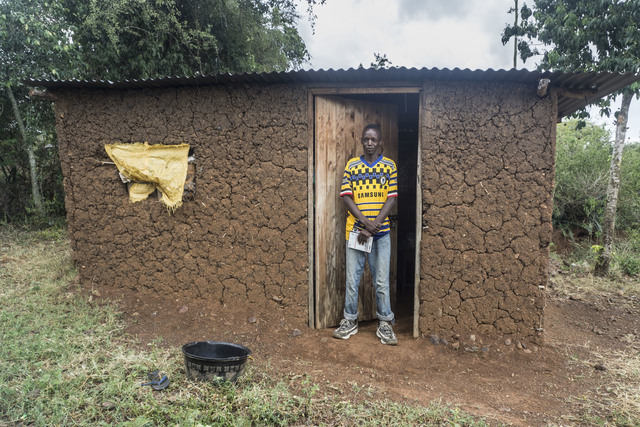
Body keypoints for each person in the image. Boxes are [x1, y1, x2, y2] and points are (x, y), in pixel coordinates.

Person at [332, 124, 398, 345]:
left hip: (380, 234)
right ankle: (349, 321)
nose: (370, 143)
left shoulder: (389, 166)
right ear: (361, 141)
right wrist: (364, 223)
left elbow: (391, 198)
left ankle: (385, 324)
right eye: (366, 139)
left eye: (374, 139)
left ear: (380, 142)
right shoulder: (352, 165)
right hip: (356, 232)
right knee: (352, 280)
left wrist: (373, 226)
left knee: (381, 281)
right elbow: (346, 196)